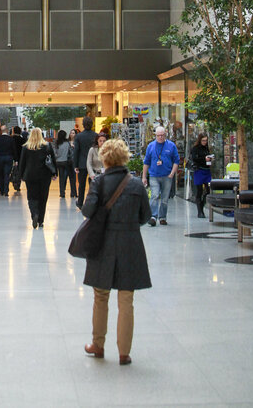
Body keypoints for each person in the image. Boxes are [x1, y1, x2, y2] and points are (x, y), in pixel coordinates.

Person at [81, 138, 152, 365]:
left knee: (100, 296)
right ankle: (124, 352)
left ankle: (98, 345)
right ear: (124, 157)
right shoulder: (136, 184)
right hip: (130, 243)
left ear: (104, 158)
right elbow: (144, 216)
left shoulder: (99, 183)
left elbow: (87, 210)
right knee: (126, 299)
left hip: (103, 243)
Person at [19, 127, 57, 228]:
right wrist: (54, 173)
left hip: (30, 175)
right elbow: (53, 160)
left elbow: (22, 162)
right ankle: (41, 220)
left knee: (31, 197)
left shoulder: (26, 147)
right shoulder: (47, 146)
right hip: (44, 176)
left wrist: (21, 175)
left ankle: (34, 214)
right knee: (43, 198)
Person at [142, 126, 180, 226]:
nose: (160, 137)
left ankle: (162, 217)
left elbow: (176, 161)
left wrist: (172, 173)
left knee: (164, 199)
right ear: (155, 136)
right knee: (154, 195)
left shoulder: (171, 146)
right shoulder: (151, 146)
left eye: (162, 135)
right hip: (154, 175)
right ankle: (153, 216)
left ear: (165, 135)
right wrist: (144, 177)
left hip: (167, 176)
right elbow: (146, 162)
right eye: (158, 136)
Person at [73, 116, 98, 209]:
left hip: (82, 163)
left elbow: (76, 151)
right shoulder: (96, 135)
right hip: (94, 163)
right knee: (94, 184)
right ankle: (93, 202)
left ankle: (80, 202)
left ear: (83, 125)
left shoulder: (79, 136)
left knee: (81, 184)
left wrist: (75, 165)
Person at [190, 133, 213, 218]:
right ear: (200, 140)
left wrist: (209, 159)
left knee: (208, 190)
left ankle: (202, 206)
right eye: (203, 140)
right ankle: (200, 211)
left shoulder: (206, 148)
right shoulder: (195, 149)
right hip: (199, 170)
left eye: (206, 140)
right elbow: (194, 158)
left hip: (206, 170)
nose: (204, 142)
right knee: (199, 191)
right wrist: (204, 159)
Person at [0, 125, 17, 196]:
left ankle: (1, 190)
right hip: (9, 158)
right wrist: (16, 160)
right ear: (7, 131)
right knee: (6, 174)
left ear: (1, 131)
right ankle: (6, 191)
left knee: (0, 174)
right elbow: (14, 150)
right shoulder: (11, 139)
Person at [54, 129, 75, 198]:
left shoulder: (56, 143)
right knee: (69, 177)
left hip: (58, 162)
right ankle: (72, 192)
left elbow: (55, 153)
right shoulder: (67, 143)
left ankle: (62, 192)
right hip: (66, 162)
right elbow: (70, 152)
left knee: (61, 178)